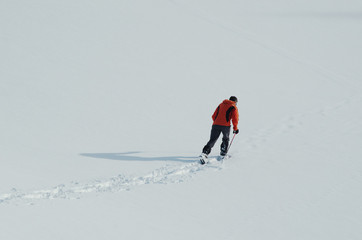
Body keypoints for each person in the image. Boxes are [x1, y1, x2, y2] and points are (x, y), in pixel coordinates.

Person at [200, 96, 239, 163]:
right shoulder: (233, 106)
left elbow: (213, 115)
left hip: (215, 125)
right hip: (225, 126)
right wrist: (235, 128)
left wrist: (217, 121)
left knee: (212, 139)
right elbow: (235, 118)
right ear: (235, 102)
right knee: (225, 138)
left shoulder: (221, 104)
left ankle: (205, 153)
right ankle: (223, 153)